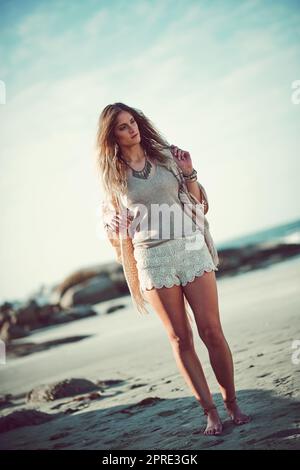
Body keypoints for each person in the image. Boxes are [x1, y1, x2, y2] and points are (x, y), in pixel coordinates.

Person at [96, 102, 251, 435]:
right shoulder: (113, 178)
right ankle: (210, 412)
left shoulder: (167, 157)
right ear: (113, 135)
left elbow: (197, 204)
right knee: (181, 339)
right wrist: (114, 223)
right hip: (152, 258)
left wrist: (190, 171)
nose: (131, 129)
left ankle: (232, 403)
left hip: (191, 246)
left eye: (133, 122)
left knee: (211, 330)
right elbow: (111, 229)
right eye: (122, 126)